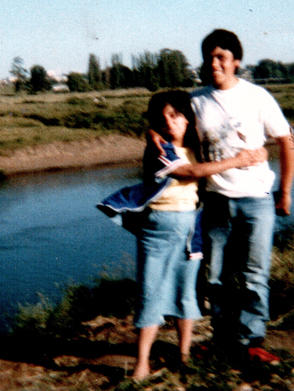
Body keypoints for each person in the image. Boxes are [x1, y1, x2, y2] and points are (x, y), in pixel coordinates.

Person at [98, 90, 267, 381]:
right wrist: (237, 161)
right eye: (161, 118)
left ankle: (185, 356)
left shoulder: (197, 146)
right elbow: (192, 172)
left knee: (186, 293)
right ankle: (141, 365)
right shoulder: (159, 149)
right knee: (150, 294)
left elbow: (225, 149)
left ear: (188, 118)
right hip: (158, 229)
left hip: (192, 229)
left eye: (175, 115)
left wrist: (257, 153)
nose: (168, 122)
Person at [151, 29, 294, 363]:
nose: (214, 63)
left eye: (221, 57)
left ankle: (251, 342)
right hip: (216, 201)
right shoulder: (196, 99)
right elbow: (165, 121)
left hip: (257, 200)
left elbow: (287, 141)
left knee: (254, 274)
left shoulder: (258, 97)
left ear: (236, 62)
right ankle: (221, 338)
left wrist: (285, 191)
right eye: (209, 57)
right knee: (215, 275)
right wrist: (151, 132)